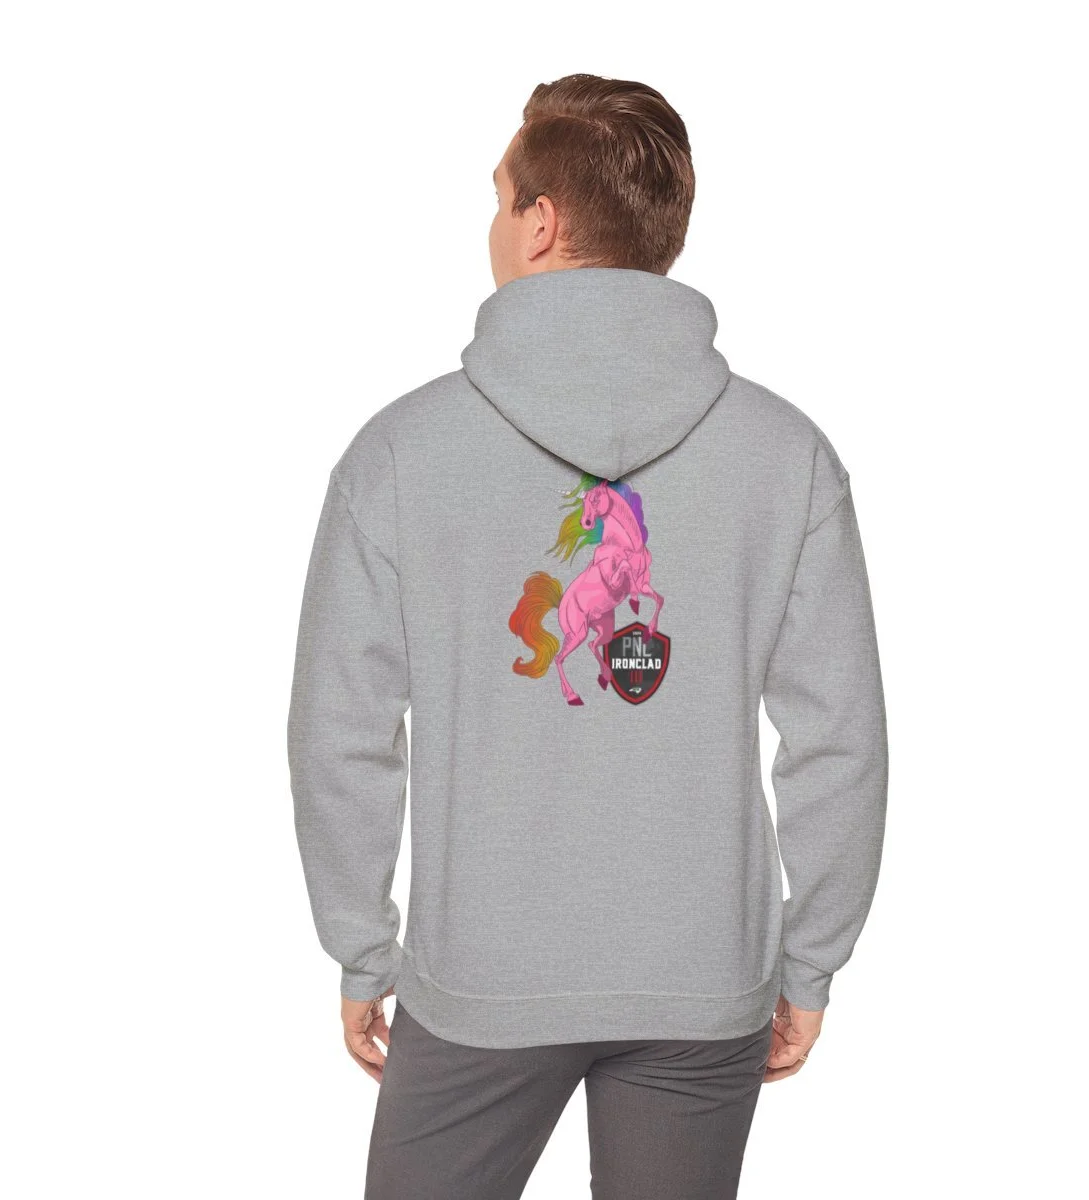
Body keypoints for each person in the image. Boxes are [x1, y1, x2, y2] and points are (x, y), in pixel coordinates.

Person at [288, 73, 888, 1200]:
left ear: (541, 221)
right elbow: (840, 740)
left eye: (497, 197)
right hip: (701, 977)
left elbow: (342, 732)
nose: (491, 224)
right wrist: (810, 962)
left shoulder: (400, 453)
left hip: (482, 977)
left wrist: (362, 946)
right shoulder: (786, 455)